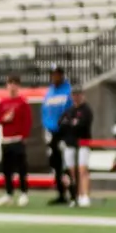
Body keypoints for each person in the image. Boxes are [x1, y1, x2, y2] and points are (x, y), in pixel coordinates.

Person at [0, 75, 31, 206]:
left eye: (15, 83)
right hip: (6, 140)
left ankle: (24, 193)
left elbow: (27, 121)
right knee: (6, 169)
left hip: (17, 139)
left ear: (18, 86)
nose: (12, 86)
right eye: (10, 83)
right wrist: (5, 119)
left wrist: (24, 136)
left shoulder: (22, 102)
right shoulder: (3, 102)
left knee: (21, 168)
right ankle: (8, 194)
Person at [56, 85, 94, 207]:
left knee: (82, 169)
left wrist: (71, 124)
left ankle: (85, 195)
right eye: (74, 95)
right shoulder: (69, 110)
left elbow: (82, 125)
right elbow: (61, 124)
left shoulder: (86, 110)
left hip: (83, 143)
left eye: (78, 94)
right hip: (70, 143)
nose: (76, 97)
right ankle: (76, 194)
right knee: (71, 170)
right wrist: (71, 124)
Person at [41, 65, 73, 204]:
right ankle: (61, 193)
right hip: (51, 133)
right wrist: (47, 127)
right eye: (52, 74)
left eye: (57, 74)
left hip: (64, 133)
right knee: (55, 165)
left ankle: (73, 193)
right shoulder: (49, 92)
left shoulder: (68, 91)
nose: (54, 77)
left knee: (67, 164)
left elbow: (70, 111)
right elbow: (44, 112)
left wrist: (65, 126)